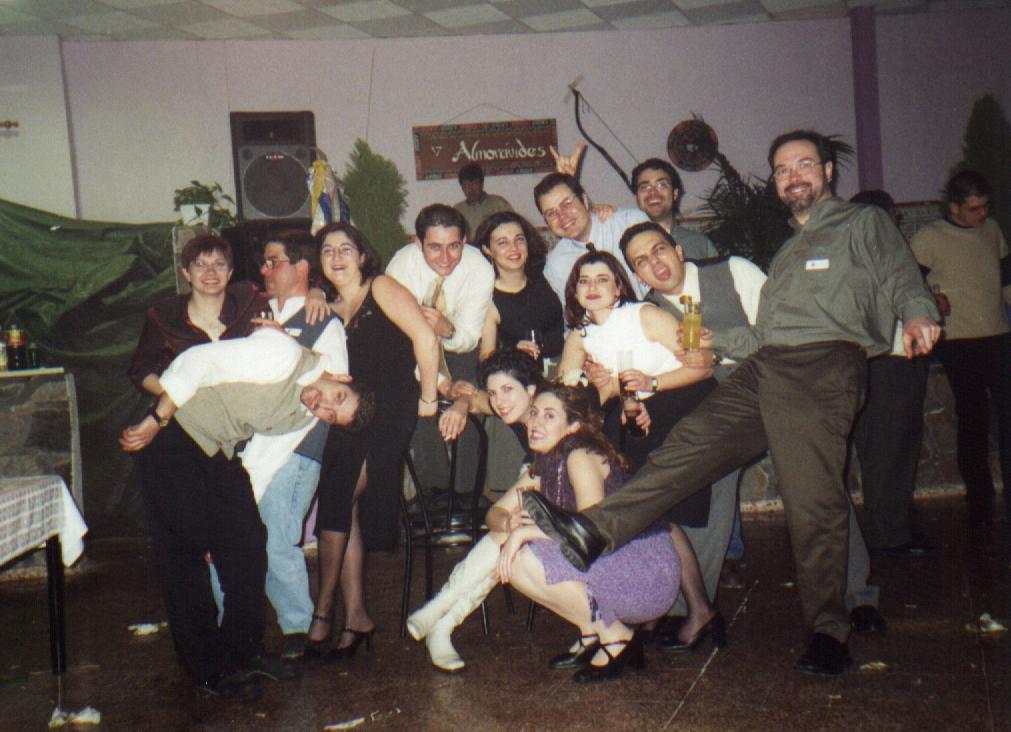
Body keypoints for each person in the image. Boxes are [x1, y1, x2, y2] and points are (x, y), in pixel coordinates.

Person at [522, 129, 941, 676]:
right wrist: (707, 344)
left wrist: (917, 312)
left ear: (827, 172)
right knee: (690, 445)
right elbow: (762, 334)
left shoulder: (859, 224)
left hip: (824, 363)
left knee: (812, 495)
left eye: (803, 165)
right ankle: (596, 528)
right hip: (764, 366)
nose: (792, 176)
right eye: (782, 170)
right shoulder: (787, 252)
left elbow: (899, 270)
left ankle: (829, 628)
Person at [622, 220, 886, 636]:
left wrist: (718, 348)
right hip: (722, 410)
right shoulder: (648, 312)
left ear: (678, 249)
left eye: (658, 250)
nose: (655, 264)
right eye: (641, 261)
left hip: (781, 386)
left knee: (814, 483)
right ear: (637, 275)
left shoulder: (732, 270)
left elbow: (784, 329)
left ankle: (856, 596)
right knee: (704, 485)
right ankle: (690, 606)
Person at [120, 328, 373, 701]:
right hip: (171, 436)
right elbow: (198, 360)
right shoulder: (284, 356)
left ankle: (244, 652)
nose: (323, 406)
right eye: (337, 396)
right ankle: (207, 671)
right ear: (341, 378)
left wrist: (230, 523)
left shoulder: (302, 416)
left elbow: (262, 463)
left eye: (331, 415)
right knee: (185, 560)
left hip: (216, 451)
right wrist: (156, 419)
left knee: (249, 544)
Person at [556, 249, 723, 650]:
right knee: (649, 515)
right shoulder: (579, 336)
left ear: (619, 287)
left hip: (679, 407)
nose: (592, 287)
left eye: (602, 279)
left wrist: (649, 384)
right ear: (574, 291)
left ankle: (695, 611)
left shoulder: (644, 314)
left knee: (657, 513)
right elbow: (568, 395)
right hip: (633, 419)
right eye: (584, 281)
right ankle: (661, 610)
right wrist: (602, 386)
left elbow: (702, 364)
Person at [308, 222, 440, 658]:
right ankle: (355, 616)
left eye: (346, 248)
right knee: (338, 494)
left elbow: (425, 336)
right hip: (352, 411)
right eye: (328, 250)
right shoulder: (325, 307)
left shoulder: (380, 287)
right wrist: (313, 294)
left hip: (393, 404)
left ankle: (323, 611)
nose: (337, 257)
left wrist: (428, 398)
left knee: (341, 491)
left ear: (363, 256)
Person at [498, 384, 680, 682]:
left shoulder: (579, 455)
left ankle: (616, 638)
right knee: (519, 561)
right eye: (534, 413)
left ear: (573, 426)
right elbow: (498, 512)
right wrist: (510, 527)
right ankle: (591, 632)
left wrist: (521, 533)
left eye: (549, 416)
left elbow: (589, 528)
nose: (535, 423)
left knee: (526, 557)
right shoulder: (549, 459)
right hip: (620, 558)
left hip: (647, 570)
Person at [236, 229, 349, 660]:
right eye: (264, 262)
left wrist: (283, 341)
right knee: (243, 534)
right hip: (255, 443)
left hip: (297, 444)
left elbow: (335, 389)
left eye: (274, 261)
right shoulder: (256, 314)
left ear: (302, 266)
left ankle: (298, 627)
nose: (265, 270)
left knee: (278, 536)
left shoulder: (323, 321)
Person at [407, 349, 542, 671]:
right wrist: (461, 404)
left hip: (571, 487)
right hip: (538, 475)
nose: (500, 402)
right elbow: (477, 400)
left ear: (532, 391)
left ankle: (439, 614)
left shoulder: (549, 412)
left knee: (509, 533)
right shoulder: (511, 405)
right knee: (505, 532)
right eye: (494, 393)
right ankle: (442, 623)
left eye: (508, 390)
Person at [911, 170, 1011, 544]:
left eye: (985, 207)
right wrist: (930, 299)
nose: (982, 215)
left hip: (998, 335)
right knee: (973, 419)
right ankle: (980, 506)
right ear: (953, 207)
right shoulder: (929, 238)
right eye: (973, 209)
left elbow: (1006, 280)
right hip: (958, 341)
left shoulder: (993, 231)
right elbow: (907, 283)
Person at [386, 204, 495, 497]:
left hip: (458, 343)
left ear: (465, 242)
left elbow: (469, 337)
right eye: (434, 247)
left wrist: (447, 329)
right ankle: (433, 491)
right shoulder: (401, 268)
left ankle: (465, 495)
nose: (446, 258)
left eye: (454, 246)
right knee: (418, 401)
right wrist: (441, 384)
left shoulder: (479, 269)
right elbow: (401, 343)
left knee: (469, 395)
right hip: (410, 349)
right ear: (418, 243)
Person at [847, 191, 932, 557]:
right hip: (889, 361)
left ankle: (890, 530)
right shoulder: (878, 256)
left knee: (885, 449)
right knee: (890, 450)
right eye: (892, 215)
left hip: (881, 361)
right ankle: (889, 535)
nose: (896, 221)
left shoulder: (858, 256)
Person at [536, 169, 648, 305]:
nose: (562, 216)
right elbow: (573, 313)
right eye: (551, 213)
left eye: (567, 204)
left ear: (584, 200)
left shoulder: (629, 223)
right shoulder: (556, 265)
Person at [475, 210, 564, 365]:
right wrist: (512, 353)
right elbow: (486, 358)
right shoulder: (489, 300)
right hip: (524, 372)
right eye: (503, 243)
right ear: (487, 250)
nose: (514, 248)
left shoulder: (547, 273)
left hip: (570, 361)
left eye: (519, 239)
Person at [631, 157, 720, 261]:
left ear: (675, 194)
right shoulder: (627, 246)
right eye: (644, 187)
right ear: (637, 198)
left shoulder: (700, 244)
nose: (653, 192)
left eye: (661, 185)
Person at [453, 162, 514, 239]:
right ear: (462, 187)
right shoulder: (457, 210)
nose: (471, 189)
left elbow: (513, 228)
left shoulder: (499, 205)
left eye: (475, 184)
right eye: (466, 185)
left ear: (482, 184)